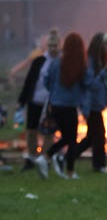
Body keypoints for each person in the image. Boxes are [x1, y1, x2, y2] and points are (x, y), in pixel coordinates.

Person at [36, 32, 88, 180]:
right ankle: (69, 171)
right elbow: (85, 85)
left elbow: (46, 81)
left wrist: (55, 93)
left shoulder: (56, 63)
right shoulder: (80, 65)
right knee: (71, 140)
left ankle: (47, 157)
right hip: (70, 106)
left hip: (56, 106)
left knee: (66, 137)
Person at [75, 32, 107, 174]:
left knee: (91, 137)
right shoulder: (90, 62)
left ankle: (67, 157)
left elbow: (102, 84)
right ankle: (99, 165)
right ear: (98, 45)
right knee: (99, 134)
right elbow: (90, 83)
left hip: (96, 104)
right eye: (105, 44)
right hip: (90, 105)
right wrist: (103, 73)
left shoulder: (100, 62)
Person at [16, 28, 60, 172]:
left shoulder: (61, 62)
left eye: (55, 46)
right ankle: (31, 159)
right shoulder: (40, 61)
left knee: (48, 132)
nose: (53, 49)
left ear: (59, 46)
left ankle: (45, 159)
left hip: (51, 103)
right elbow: (29, 81)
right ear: (47, 46)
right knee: (31, 130)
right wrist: (22, 101)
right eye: (51, 46)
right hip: (35, 100)